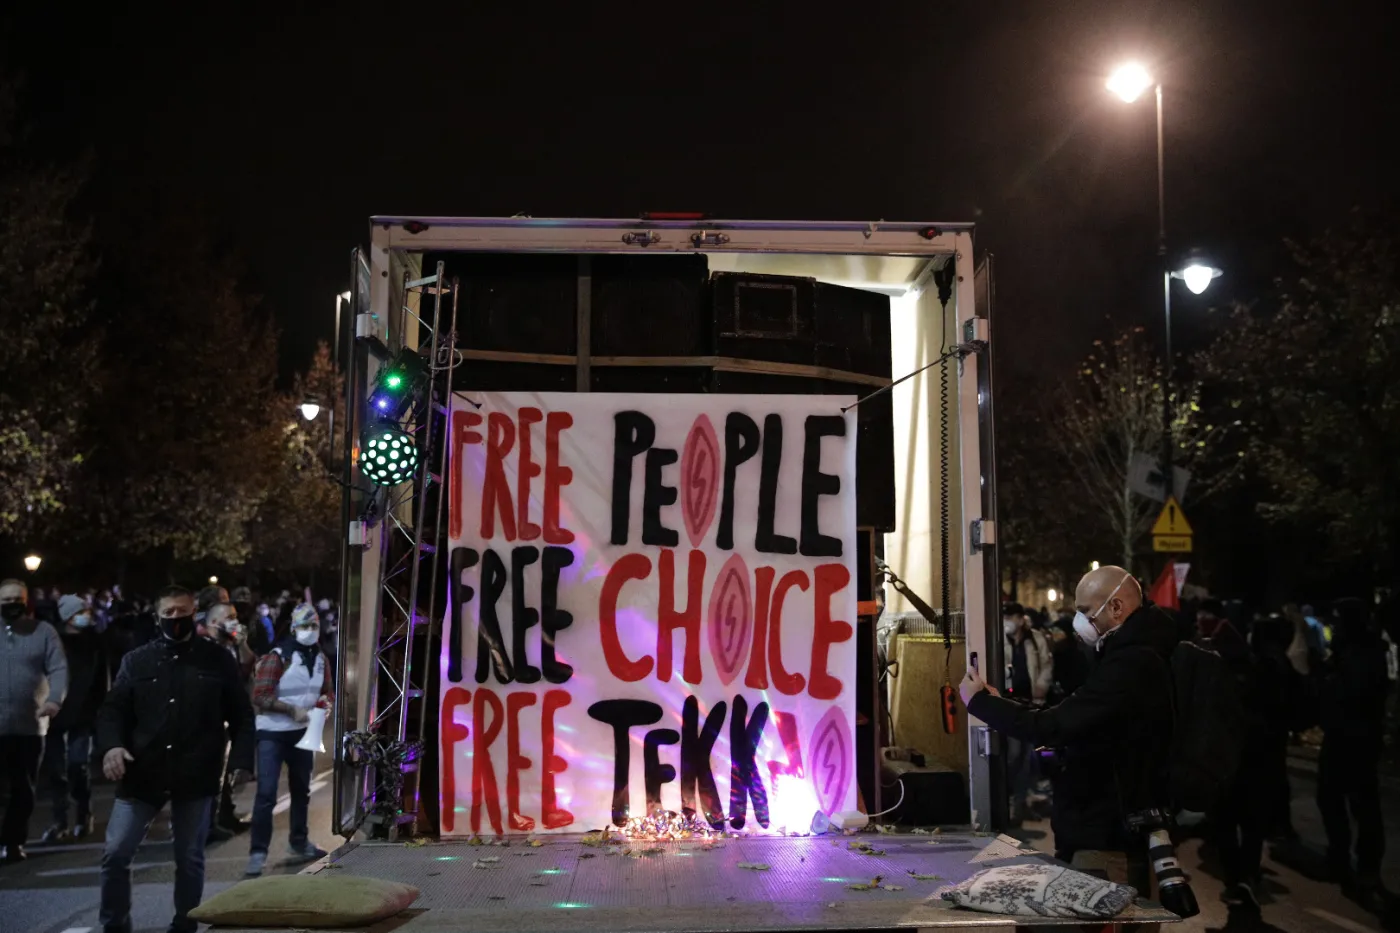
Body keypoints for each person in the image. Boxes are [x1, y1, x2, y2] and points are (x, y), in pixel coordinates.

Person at [961, 566, 1176, 891]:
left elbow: (1053, 726)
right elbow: (1072, 715)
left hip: (1107, 839)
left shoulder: (1132, 664)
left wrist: (979, 703)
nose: (1079, 623)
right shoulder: (1133, 653)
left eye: (1085, 612)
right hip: (1107, 831)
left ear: (1116, 608)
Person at [96, 585, 254, 933]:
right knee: (116, 851)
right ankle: (114, 925)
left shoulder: (216, 660)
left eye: (182, 612)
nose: (175, 619)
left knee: (190, 857)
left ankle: (185, 924)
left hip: (195, 772)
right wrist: (111, 746)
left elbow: (242, 715)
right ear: (157, 617)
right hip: (142, 771)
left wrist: (242, 761)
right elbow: (113, 711)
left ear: (193, 612)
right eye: (168, 613)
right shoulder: (137, 661)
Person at [245, 603, 331, 877]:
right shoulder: (278, 656)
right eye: (304, 626)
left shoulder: (320, 658)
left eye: (314, 626)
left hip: (304, 731)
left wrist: (325, 704)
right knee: (267, 794)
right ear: (293, 628)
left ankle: (299, 842)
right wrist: (289, 709)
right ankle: (257, 853)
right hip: (273, 732)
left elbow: (326, 689)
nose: (310, 631)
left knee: (301, 790)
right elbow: (259, 696)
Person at [1315, 597, 1389, 907]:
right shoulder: (1351, 651)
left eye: (1338, 620)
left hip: (1355, 738)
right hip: (1344, 736)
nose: (1334, 626)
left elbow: (1350, 694)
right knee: (1332, 798)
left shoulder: (1363, 654)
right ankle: (1341, 857)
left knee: (1362, 804)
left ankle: (1365, 868)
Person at [0, 579, 69, 864]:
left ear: (26, 600)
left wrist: (54, 700)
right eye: (5, 601)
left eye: (17, 599)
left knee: (23, 789)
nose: (11, 605)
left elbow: (58, 668)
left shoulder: (44, 633)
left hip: (29, 726)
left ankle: (13, 842)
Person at [40, 594, 109, 844]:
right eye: (82, 611)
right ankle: (59, 820)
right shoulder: (51, 642)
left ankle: (83, 812)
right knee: (56, 771)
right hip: (54, 715)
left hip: (83, 714)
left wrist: (99, 709)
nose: (87, 615)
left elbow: (101, 681)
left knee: (77, 765)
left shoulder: (94, 643)